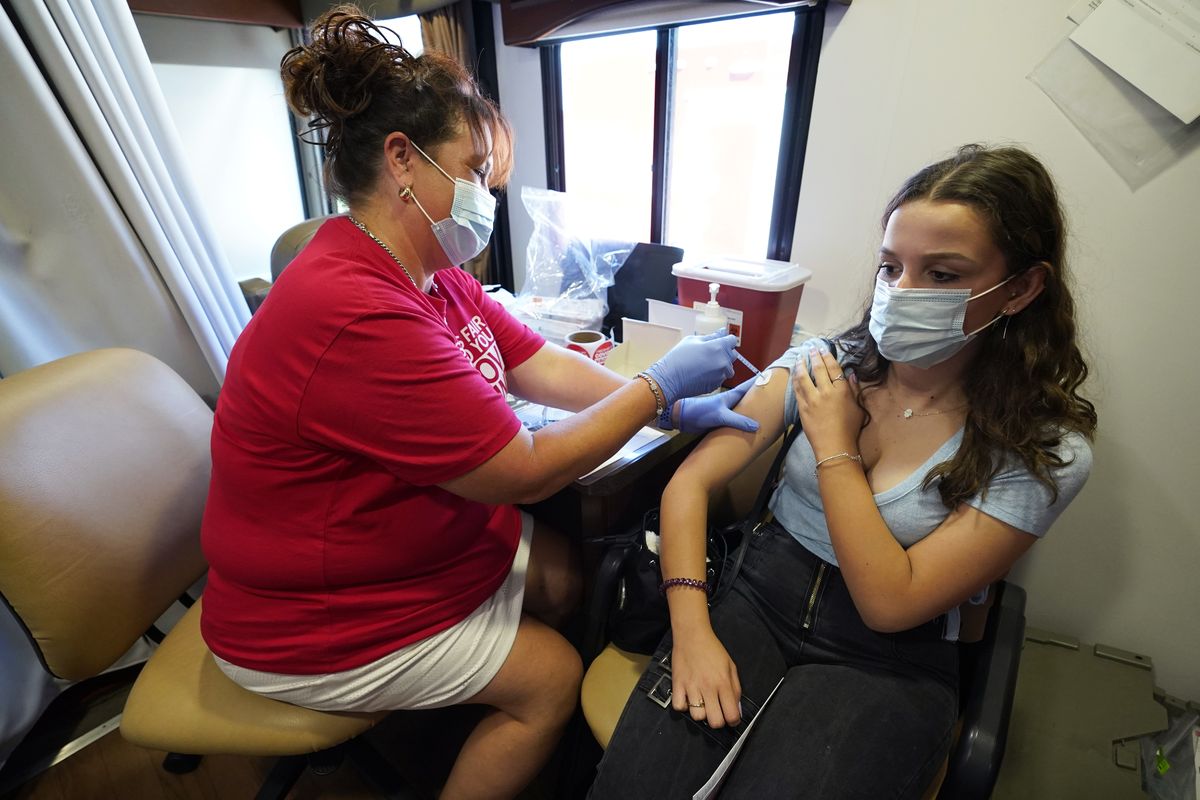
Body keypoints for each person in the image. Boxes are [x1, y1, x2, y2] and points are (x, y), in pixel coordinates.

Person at [198, 7, 753, 800]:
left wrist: (666, 410)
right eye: (475, 166)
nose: (488, 190)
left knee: (567, 580)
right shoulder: (351, 307)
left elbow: (532, 361)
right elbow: (525, 469)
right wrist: (657, 388)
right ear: (403, 161)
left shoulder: (425, 269)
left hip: (389, 544)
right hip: (308, 614)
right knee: (555, 679)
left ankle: (458, 721)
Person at [590, 144, 1096, 798]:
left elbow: (890, 603)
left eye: (942, 274)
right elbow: (689, 484)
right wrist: (691, 632)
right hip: (755, 596)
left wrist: (835, 446)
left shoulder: (1042, 448)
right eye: (891, 268)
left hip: (888, 659)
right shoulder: (825, 363)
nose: (902, 293)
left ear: (1021, 288)